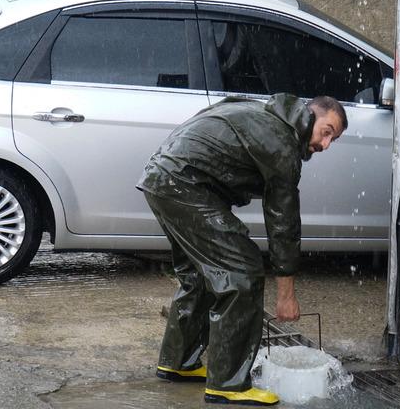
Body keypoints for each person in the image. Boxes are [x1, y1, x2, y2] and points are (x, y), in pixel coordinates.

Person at [138, 93, 347, 406]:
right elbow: (283, 222)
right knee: (242, 271)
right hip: (185, 184)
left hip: (162, 179)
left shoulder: (261, 112)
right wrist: (286, 294)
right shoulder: (282, 142)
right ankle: (229, 383)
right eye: (327, 131)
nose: (326, 144)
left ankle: (178, 361)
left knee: (199, 274)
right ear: (310, 114)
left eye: (334, 139)